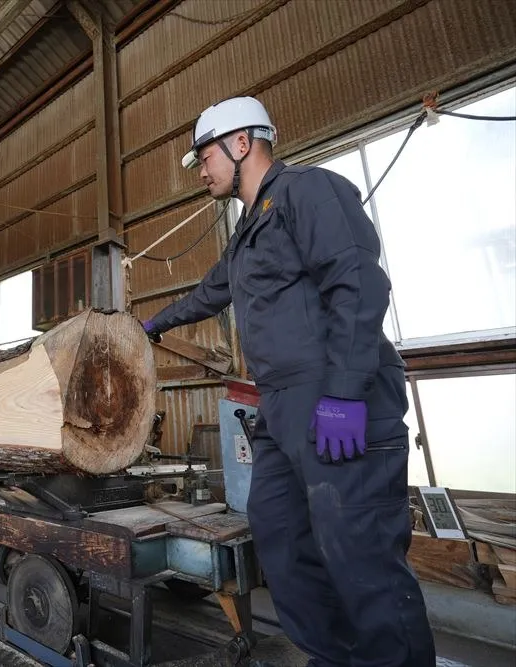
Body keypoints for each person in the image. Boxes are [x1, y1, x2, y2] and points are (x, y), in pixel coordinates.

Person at [142, 97, 436, 666]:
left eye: (205, 156)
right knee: (282, 542)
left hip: (337, 398)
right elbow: (210, 292)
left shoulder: (309, 191)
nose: (201, 170)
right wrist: (152, 323)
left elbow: (358, 283)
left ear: (243, 144)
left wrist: (345, 394)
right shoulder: (250, 230)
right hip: (279, 411)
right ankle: (333, 656)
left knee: (360, 557)